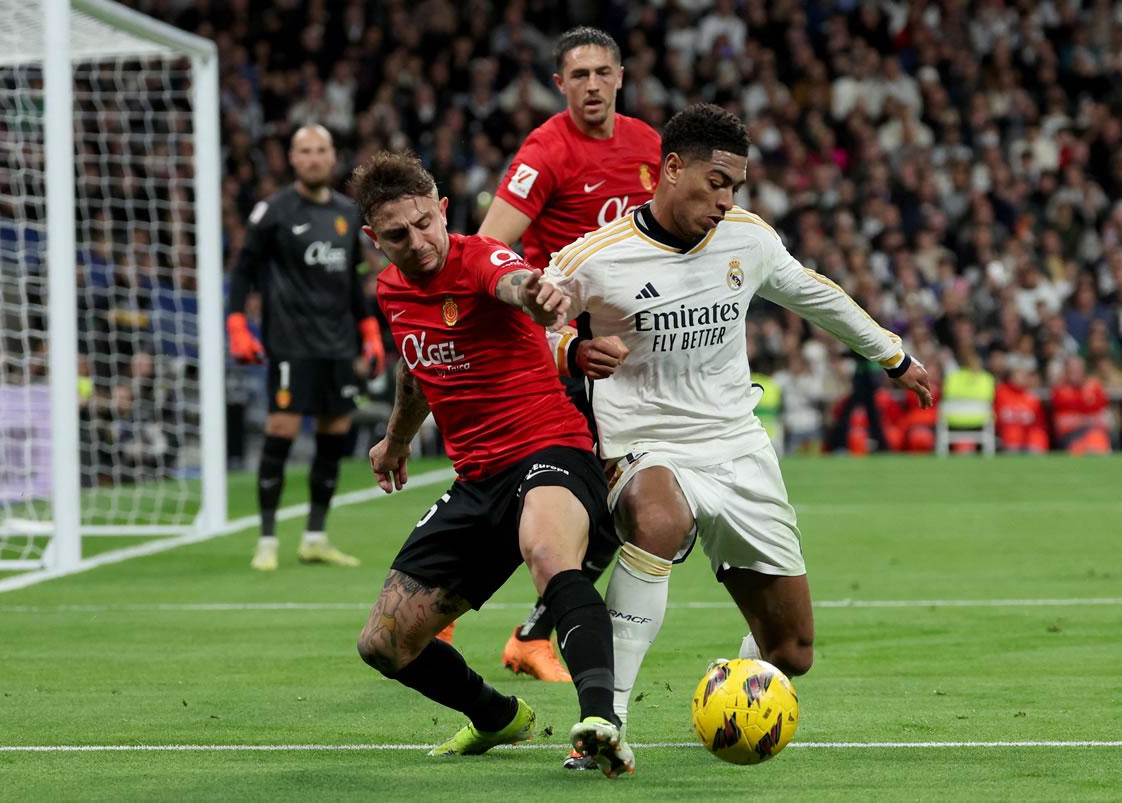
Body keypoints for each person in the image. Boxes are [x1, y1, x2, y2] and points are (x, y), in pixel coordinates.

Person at [544, 104, 933, 769]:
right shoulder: (597, 257)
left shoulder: (748, 240)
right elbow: (533, 320)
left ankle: (734, 691)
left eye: (737, 188)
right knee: (659, 520)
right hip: (646, 444)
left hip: (738, 446)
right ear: (671, 168)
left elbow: (815, 294)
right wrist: (569, 354)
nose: (726, 201)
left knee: (792, 651)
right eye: (717, 182)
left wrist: (892, 355)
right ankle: (603, 723)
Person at [352, 150, 633, 778]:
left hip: (550, 449)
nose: (419, 241)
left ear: (442, 209)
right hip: (477, 480)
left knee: (546, 551)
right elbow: (415, 368)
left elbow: (514, 283)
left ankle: (600, 724)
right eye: (398, 234)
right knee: (384, 643)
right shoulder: (391, 289)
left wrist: (537, 294)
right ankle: (497, 716)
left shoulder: (480, 256)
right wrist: (396, 441)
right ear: (375, 239)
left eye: (426, 222)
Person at [478, 25, 661, 685]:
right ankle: (465, 606)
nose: (591, 85)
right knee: (589, 499)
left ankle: (526, 630)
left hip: (634, 354)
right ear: (560, 84)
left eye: (600, 72)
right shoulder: (545, 150)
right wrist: (556, 329)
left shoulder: (649, 147)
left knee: (615, 505)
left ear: (619, 76)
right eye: (577, 75)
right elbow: (490, 247)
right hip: (572, 354)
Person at [227, 124, 387, 571]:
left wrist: (370, 331)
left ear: (332, 156)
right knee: (280, 431)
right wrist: (238, 324)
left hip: (337, 347)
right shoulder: (273, 211)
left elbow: (353, 282)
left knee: (334, 435)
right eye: (305, 151)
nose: (314, 158)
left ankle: (315, 536)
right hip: (290, 344)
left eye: (321, 150)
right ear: (292, 159)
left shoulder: (345, 212)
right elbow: (243, 272)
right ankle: (267, 539)